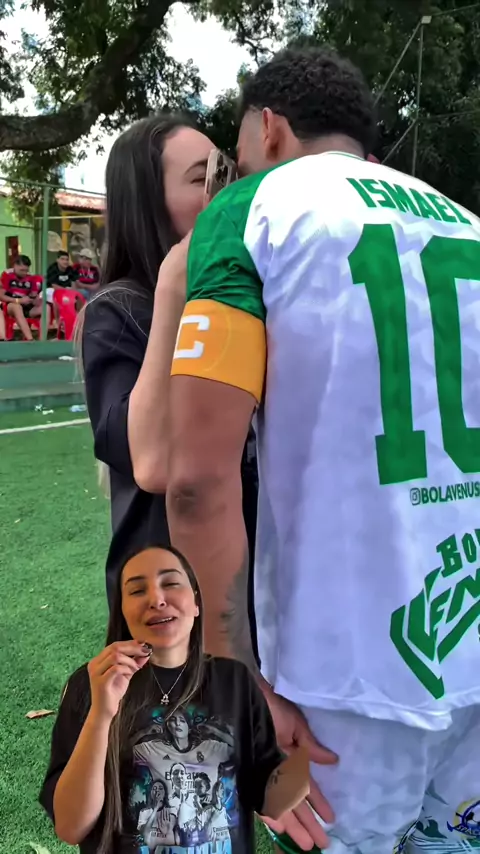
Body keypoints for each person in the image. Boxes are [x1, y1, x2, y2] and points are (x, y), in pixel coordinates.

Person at [167, 46, 480, 854]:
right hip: (468, 629)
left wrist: (232, 681)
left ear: (269, 129)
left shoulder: (253, 210)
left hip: (347, 676)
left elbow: (197, 481)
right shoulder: (465, 222)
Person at [79, 115, 260, 663]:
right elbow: (154, 464)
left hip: (246, 584)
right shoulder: (117, 311)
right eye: (204, 179)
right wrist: (175, 286)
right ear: (149, 205)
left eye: (227, 175)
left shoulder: (238, 300)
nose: (225, 195)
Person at [39, 543, 308, 854]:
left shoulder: (234, 681)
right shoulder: (92, 684)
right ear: (122, 610)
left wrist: (320, 756)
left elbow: (270, 799)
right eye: (137, 591)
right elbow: (71, 827)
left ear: (196, 602)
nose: (157, 599)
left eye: (170, 583)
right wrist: (101, 713)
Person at [0, 254, 49, 340]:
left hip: (27, 306)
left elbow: (33, 295)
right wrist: (18, 300)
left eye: (26, 270)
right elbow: (1, 296)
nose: (24, 273)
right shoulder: (7, 275)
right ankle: (30, 339)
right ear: (15, 265)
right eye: (22, 270)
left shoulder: (31, 277)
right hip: (10, 304)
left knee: (46, 307)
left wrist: (36, 300)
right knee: (17, 307)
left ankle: (42, 340)